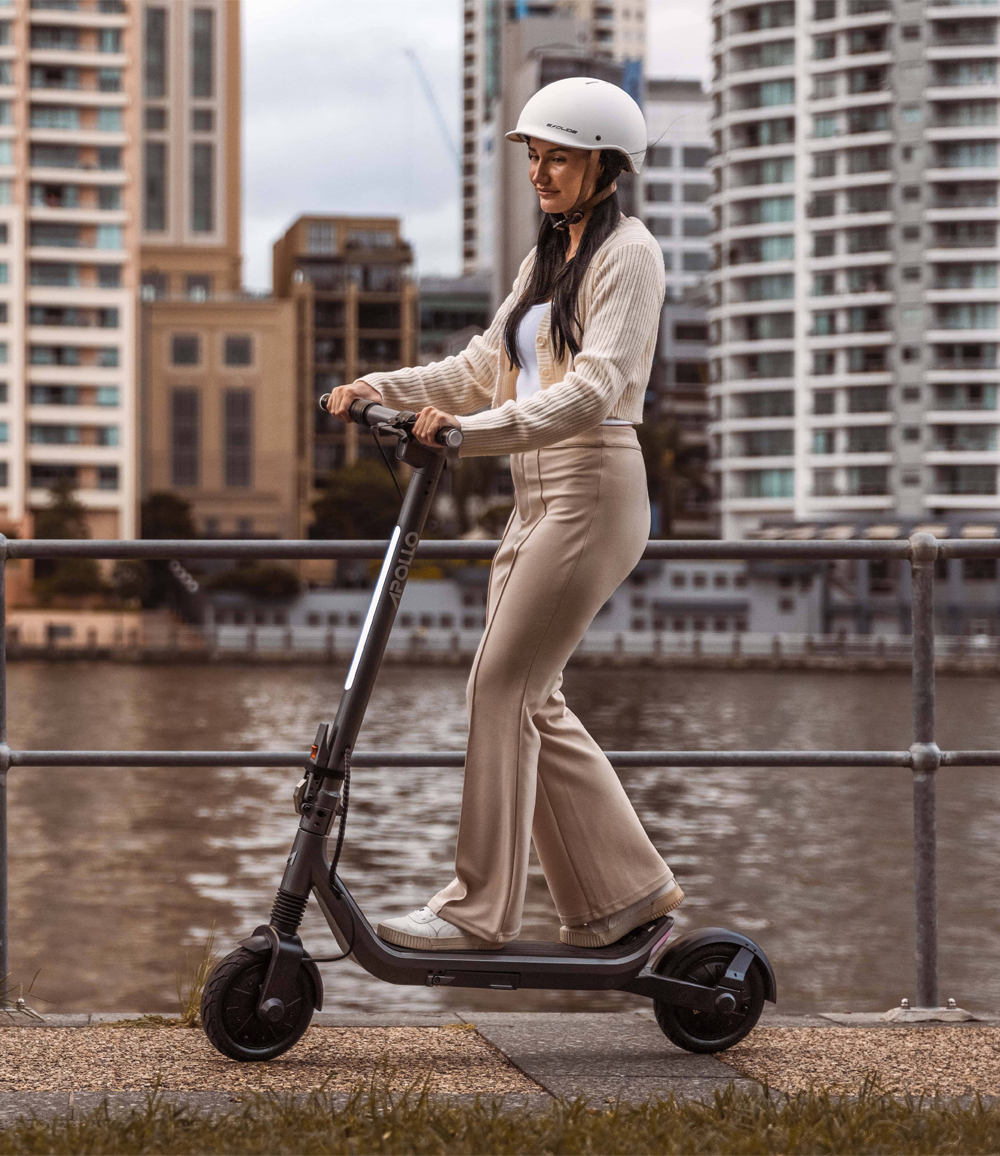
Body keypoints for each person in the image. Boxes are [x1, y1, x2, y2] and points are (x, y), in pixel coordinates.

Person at [326, 77, 682, 951]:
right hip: (535, 492)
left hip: (592, 486)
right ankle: (625, 897)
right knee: (533, 695)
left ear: (605, 165)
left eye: (559, 156)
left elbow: (593, 391)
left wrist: (471, 435)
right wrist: (384, 388)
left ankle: (476, 912)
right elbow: (484, 362)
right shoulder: (549, 256)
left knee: (500, 685)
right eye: (534, 154)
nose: (541, 170)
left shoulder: (628, 254)